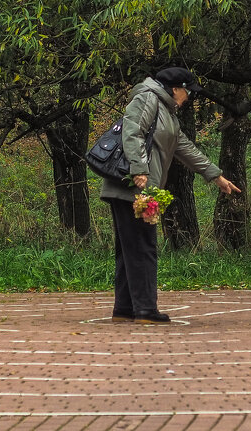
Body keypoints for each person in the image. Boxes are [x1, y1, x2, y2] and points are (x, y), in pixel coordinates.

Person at [100, 67, 240, 324]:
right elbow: (132, 131)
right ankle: (145, 310)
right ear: (175, 89)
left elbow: (183, 147)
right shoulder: (147, 98)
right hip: (134, 186)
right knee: (144, 246)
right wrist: (139, 170)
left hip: (139, 186)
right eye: (188, 91)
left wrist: (216, 176)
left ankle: (124, 309)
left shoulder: (167, 113)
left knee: (130, 249)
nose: (189, 97)